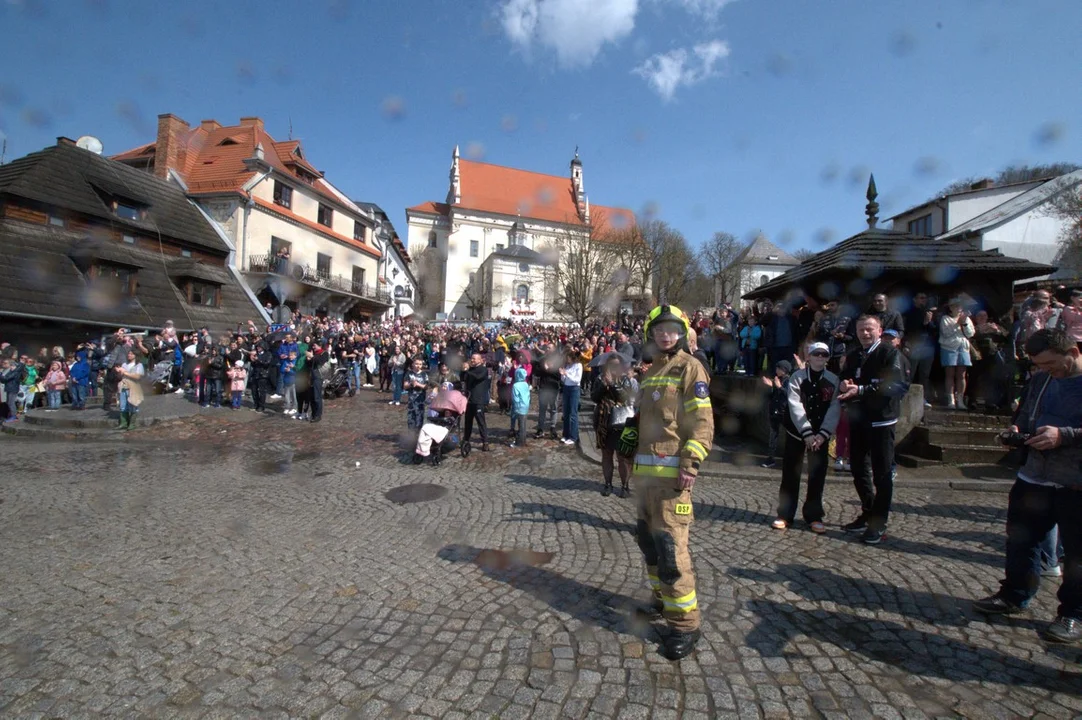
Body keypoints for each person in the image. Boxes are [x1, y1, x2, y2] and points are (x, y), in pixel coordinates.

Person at [617, 304, 713, 660]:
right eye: (659, 329)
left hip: (674, 480)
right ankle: (661, 601)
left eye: (672, 329)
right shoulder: (652, 370)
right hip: (645, 480)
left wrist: (691, 464)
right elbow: (645, 416)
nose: (665, 334)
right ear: (650, 335)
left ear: (683, 332)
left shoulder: (691, 368)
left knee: (671, 551)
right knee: (649, 544)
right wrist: (629, 429)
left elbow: (701, 423)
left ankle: (685, 625)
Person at [973, 329, 1082, 644]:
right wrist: (1016, 430)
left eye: (1050, 364)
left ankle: (1073, 613)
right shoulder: (1041, 379)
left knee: (1076, 553)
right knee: (1021, 540)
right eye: (1039, 365)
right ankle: (1015, 594)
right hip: (1033, 475)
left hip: (1074, 482)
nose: (1046, 370)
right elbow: (1025, 415)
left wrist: (1065, 436)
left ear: (1072, 352)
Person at [837, 315, 907, 544]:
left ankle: (879, 522)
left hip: (882, 420)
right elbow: (846, 378)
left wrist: (862, 390)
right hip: (859, 419)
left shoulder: (889, 353)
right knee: (857, 468)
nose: (865, 333)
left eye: (869, 329)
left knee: (882, 473)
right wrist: (844, 384)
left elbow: (896, 385)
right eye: (861, 330)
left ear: (879, 330)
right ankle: (868, 512)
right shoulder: (855, 354)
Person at [772, 342, 840, 532]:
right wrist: (807, 432)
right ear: (808, 357)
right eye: (816, 354)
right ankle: (785, 514)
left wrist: (823, 434)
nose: (820, 357)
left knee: (817, 475)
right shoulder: (797, 378)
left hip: (820, 435)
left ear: (827, 358)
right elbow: (795, 405)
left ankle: (814, 515)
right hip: (797, 432)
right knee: (790, 474)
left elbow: (835, 408)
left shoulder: (833, 380)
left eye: (824, 355)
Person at [593, 356, 637, 497]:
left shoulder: (625, 380)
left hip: (620, 421)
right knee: (606, 454)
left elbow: (625, 397)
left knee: (622, 456)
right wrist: (603, 385)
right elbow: (594, 397)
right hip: (603, 420)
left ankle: (625, 486)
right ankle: (608, 484)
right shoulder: (600, 379)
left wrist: (612, 384)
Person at [939, 298, 975, 410]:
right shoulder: (945, 319)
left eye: (960, 306)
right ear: (950, 308)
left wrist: (964, 323)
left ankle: (960, 400)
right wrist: (957, 324)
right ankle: (951, 400)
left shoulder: (967, 319)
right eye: (955, 306)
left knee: (961, 375)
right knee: (950, 374)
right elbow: (946, 333)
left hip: (963, 348)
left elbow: (970, 334)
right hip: (948, 348)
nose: (958, 308)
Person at [902, 292, 936, 408]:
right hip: (913, 346)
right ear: (914, 299)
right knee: (910, 372)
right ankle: (905, 396)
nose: (924, 300)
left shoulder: (929, 313)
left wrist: (928, 322)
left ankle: (923, 398)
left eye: (925, 298)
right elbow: (908, 330)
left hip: (927, 347)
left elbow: (934, 330)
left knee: (924, 373)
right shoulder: (909, 313)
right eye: (921, 298)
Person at [759, 360, 791, 468]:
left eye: (779, 368)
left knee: (789, 436)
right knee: (773, 436)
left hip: (784, 412)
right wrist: (769, 386)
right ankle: (770, 458)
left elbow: (789, 395)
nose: (777, 370)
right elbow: (770, 396)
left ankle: (788, 458)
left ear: (784, 370)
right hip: (774, 412)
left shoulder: (788, 381)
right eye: (777, 368)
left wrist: (779, 387)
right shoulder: (776, 380)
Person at [462, 353, 490, 451]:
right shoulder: (470, 370)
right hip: (469, 399)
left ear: (480, 360)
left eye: (474, 359)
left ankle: (485, 442)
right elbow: (463, 378)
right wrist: (464, 370)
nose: (472, 360)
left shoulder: (483, 369)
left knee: (481, 422)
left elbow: (478, 377)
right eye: (471, 358)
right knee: (467, 422)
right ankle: (466, 440)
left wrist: (468, 371)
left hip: (479, 400)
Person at [117, 349, 145, 430]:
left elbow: (138, 376)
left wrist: (125, 372)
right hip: (124, 386)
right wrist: (118, 371)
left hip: (134, 387)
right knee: (123, 406)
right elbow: (120, 376)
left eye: (131, 353)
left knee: (133, 404)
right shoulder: (124, 364)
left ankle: (132, 424)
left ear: (135, 355)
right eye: (128, 353)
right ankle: (124, 423)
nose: (129, 355)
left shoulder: (138, 365)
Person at [559, 350, 583, 446]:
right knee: (566, 412)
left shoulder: (578, 366)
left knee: (573, 413)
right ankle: (566, 434)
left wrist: (567, 374)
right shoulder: (567, 366)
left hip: (574, 389)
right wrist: (562, 374)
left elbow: (577, 380)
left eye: (568, 357)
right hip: (566, 388)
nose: (566, 359)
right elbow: (564, 380)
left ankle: (573, 436)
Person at [404, 356, 429, 430]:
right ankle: (411, 436)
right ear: (413, 364)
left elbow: (426, 387)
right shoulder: (409, 373)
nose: (418, 366)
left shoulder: (424, 374)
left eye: (420, 364)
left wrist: (418, 384)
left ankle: (418, 436)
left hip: (420, 401)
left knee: (419, 418)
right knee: (411, 418)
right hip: (411, 400)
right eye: (417, 364)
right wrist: (411, 384)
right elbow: (405, 386)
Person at [510, 367, 531, 448]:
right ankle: (523, 440)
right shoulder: (526, 384)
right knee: (523, 425)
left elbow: (515, 398)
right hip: (526, 406)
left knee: (520, 425)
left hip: (519, 407)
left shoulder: (515, 385)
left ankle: (519, 443)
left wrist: (516, 408)